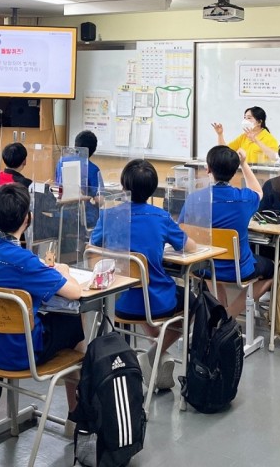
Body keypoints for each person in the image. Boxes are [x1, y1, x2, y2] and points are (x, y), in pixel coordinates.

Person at [0, 183, 84, 416]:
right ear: (28, 218)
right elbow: (74, 292)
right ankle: (76, 411)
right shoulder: (26, 262)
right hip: (21, 353)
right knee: (75, 323)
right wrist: (64, 270)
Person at [91, 159, 197, 390]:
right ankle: (153, 354)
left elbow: (92, 247)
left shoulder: (108, 215)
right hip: (154, 302)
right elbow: (190, 247)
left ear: (123, 186)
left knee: (140, 294)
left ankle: (157, 349)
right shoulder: (160, 217)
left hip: (114, 301)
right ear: (153, 189)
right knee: (193, 303)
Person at [182, 145, 273, 319]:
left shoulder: (194, 198)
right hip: (237, 269)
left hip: (202, 266)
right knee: (274, 270)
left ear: (208, 169)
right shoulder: (244, 197)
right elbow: (258, 191)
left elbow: (183, 228)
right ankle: (229, 316)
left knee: (212, 266)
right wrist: (244, 164)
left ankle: (221, 315)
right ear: (234, 171)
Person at [55, 130, 104, 228]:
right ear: (93, 149)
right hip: (85, 218)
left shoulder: (61, 162)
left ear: (75, 146)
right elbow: (100, 199)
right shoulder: (93, 169)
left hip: (62, 214)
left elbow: (57, 186)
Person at [212, 106, 279, 164]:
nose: (245, 120)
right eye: (245, 117)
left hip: (261, 173)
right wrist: (220, 134)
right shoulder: (244, 136)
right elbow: (224, 151)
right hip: (243, 172)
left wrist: (256, 141)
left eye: (249, 118)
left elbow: (275, 157)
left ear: (259, 122)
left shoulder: (269, 138)